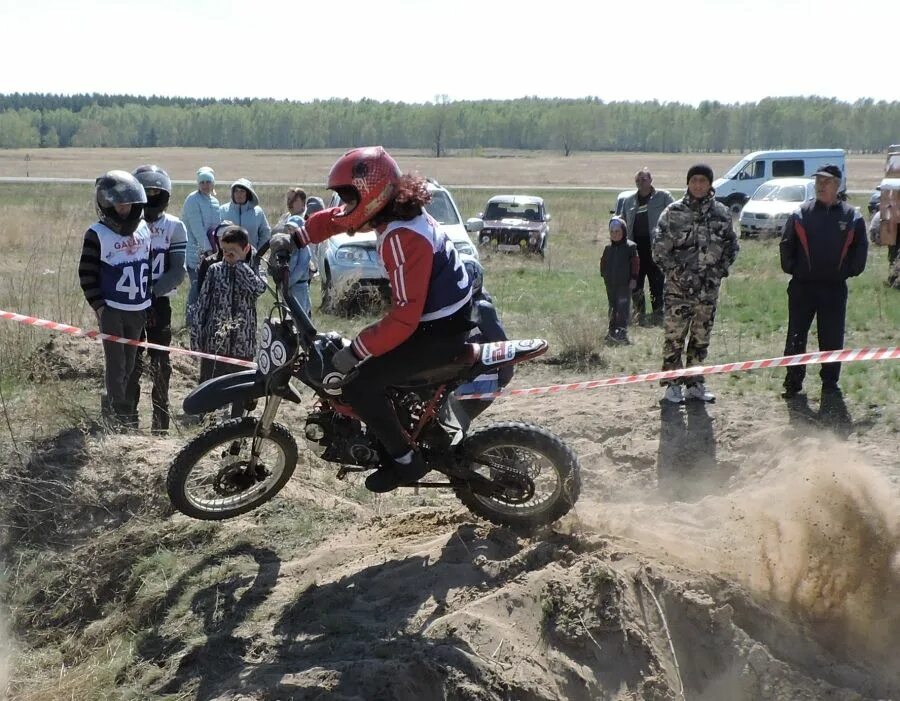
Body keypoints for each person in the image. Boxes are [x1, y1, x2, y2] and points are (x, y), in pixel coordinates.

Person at [270, 146, 473, 493]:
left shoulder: (403, 237)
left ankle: (406, 461)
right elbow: (339, 217)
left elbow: (405, 318)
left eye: (349, 196)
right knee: (366, 365)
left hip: (438, 330)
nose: (344, 204)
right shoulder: (394, 212)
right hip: (440, 316)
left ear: (372, 194)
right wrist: (298, 236)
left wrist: (358, 349)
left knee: (359, 383)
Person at [653, 164, 739, 404]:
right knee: (674, 338)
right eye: (694, 181)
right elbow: (659, 251)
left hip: (707, 291)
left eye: (703, 180)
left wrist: (717, 273)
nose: (698, 185)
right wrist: (680, 275)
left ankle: (694, 384)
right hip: (678, 291)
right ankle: (672, 385)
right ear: (688, 183)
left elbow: (732, 247)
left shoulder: (721, 214)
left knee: (701, 338)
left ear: (710, 184)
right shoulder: (673, 213)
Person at [779, 164, 867, 398]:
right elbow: (787, 245)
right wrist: (795, 269)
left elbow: (860, 251)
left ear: (838, 186)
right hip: (802, 287)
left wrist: (847, 271)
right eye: (818, 181)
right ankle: (793, 382)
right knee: (796, 335)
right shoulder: (801, 213)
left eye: (826, 181)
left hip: (834, 288)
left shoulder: (852, 217)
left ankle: (830, 382)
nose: (821, 185)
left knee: (831, 336)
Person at [78, 170, 152, 428]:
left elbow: (148, 266)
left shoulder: (143, 229)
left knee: (131, 362)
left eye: (128, 202)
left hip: (138, 308)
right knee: (116, 364)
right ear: (105, 203)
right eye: (118, 203)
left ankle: (124, 409)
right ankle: (115, 413)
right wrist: (99, 307)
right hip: (112, 309)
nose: (123, 208)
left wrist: (147, 299)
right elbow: (86, 273)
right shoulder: (97, 233)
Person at [124, 165, 187, 434]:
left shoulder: (174, 226)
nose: (150, 198)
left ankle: (160, 424)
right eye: (145, 193)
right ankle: (128, 419)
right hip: (130, 303)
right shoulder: (126, 225)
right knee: (131, 361)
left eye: (155, 193)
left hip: (159, 302)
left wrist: (153, 293)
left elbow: (177, 269)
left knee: (160, 362)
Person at [191, 225, 268, 417]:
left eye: (233, 251)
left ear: (246, 249)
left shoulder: (254, 268)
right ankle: (207, 420)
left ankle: (236, 425)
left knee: (241, 389)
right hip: (216, 342)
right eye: (224, 251)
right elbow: (202, 305)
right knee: (210, 385)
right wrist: (197, 337)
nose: (228, 255)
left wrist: (240, 267)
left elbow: (258, 289)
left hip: (243, 343)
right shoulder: (214, 271)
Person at [454, 255, 513, 421]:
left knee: (455, 426)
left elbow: (502, 344)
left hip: (478, 381)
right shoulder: (462, 306)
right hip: (464, 379)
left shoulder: (481, 308)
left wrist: (504, 377)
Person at [619, 168, 673, 326]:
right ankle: (639, 313)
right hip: (635, 248)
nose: (640, 183)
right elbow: (622, 221)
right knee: (636, 282)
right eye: (637, 181)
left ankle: (657, 313)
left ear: (650, 180)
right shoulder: (629, 201)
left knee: (657, 281)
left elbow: (675, 214)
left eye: (643, 180)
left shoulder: (663, 197)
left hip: (656, 247)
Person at [182, 166, 221, 326]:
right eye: (202, 182)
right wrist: (207, 249)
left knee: (208, 286)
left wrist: (217, 249)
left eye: (208, 182)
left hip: (211, 250)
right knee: (197, 284)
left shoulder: (215, 201)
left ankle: (204, 318)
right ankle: (190, 320)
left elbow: (216, 228)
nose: (205, 185)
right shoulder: (192, 200)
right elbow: (197, 229)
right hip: (194, 249)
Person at [600, 216, 639, 344]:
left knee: (622, 307)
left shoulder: (630, 247)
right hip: (611, 283)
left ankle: (621, 330)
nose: (615, 234)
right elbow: (603, 262)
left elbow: (635, 263)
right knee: (613, 307)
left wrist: (633, 278)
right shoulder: (608, 248)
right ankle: (612, 330)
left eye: (618, 231)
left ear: (624, 232)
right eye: (612, 232)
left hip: (624, 283)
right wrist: (604, 274)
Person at [219, 178, 271, 252]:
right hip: (229, 256)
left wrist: (258, 252)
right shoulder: (223, 210)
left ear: (248, 193)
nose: (238, 194)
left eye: (242, 191)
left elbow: (265, 233)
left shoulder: (258, 212)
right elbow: (217, 233)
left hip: (251, 257)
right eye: (236, 191)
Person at [283, 215, 314, 316]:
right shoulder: (290, 246)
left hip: (299, 287)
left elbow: (300, 269)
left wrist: (288, 283)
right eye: (289, 229)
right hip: (289, 286)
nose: (290, 232)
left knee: (301, 315)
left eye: (294, 229)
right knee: (289, 314)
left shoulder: (304, 248)